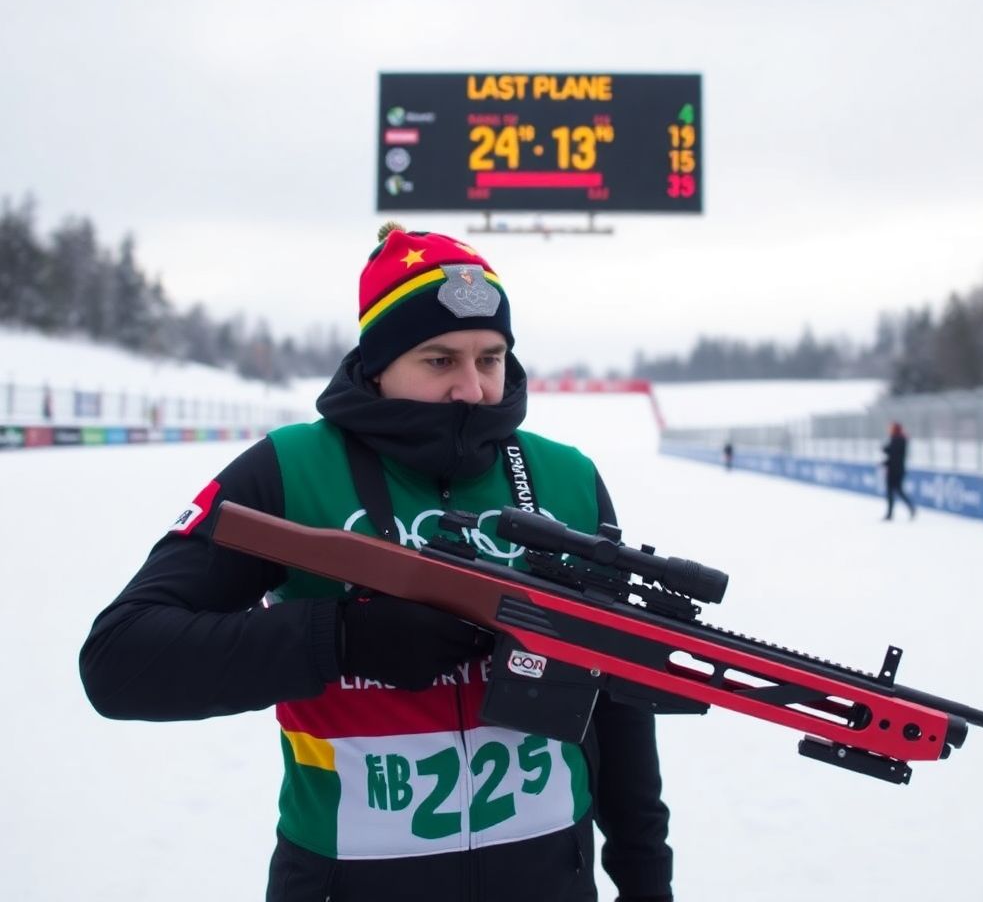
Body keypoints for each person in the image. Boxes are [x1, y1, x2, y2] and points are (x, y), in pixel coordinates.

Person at [80, 224, 674, 902]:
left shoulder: (567, 477)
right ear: (379, 362)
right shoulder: (290, 470)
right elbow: (120, 660)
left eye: (491, 357)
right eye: (439, 360)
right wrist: (339, 638)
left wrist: (646, 881)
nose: (473, 390)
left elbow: (622, 704)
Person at [881, 421, 916, 520]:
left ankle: (891, 514)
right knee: (896, 491)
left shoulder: (897, 439)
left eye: (891, 428)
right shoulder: (900, 439)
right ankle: (892, 513)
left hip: (894, 471)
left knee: (894, 492)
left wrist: (885, 460)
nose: (889, 430)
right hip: (898, 470)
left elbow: (893, 455)